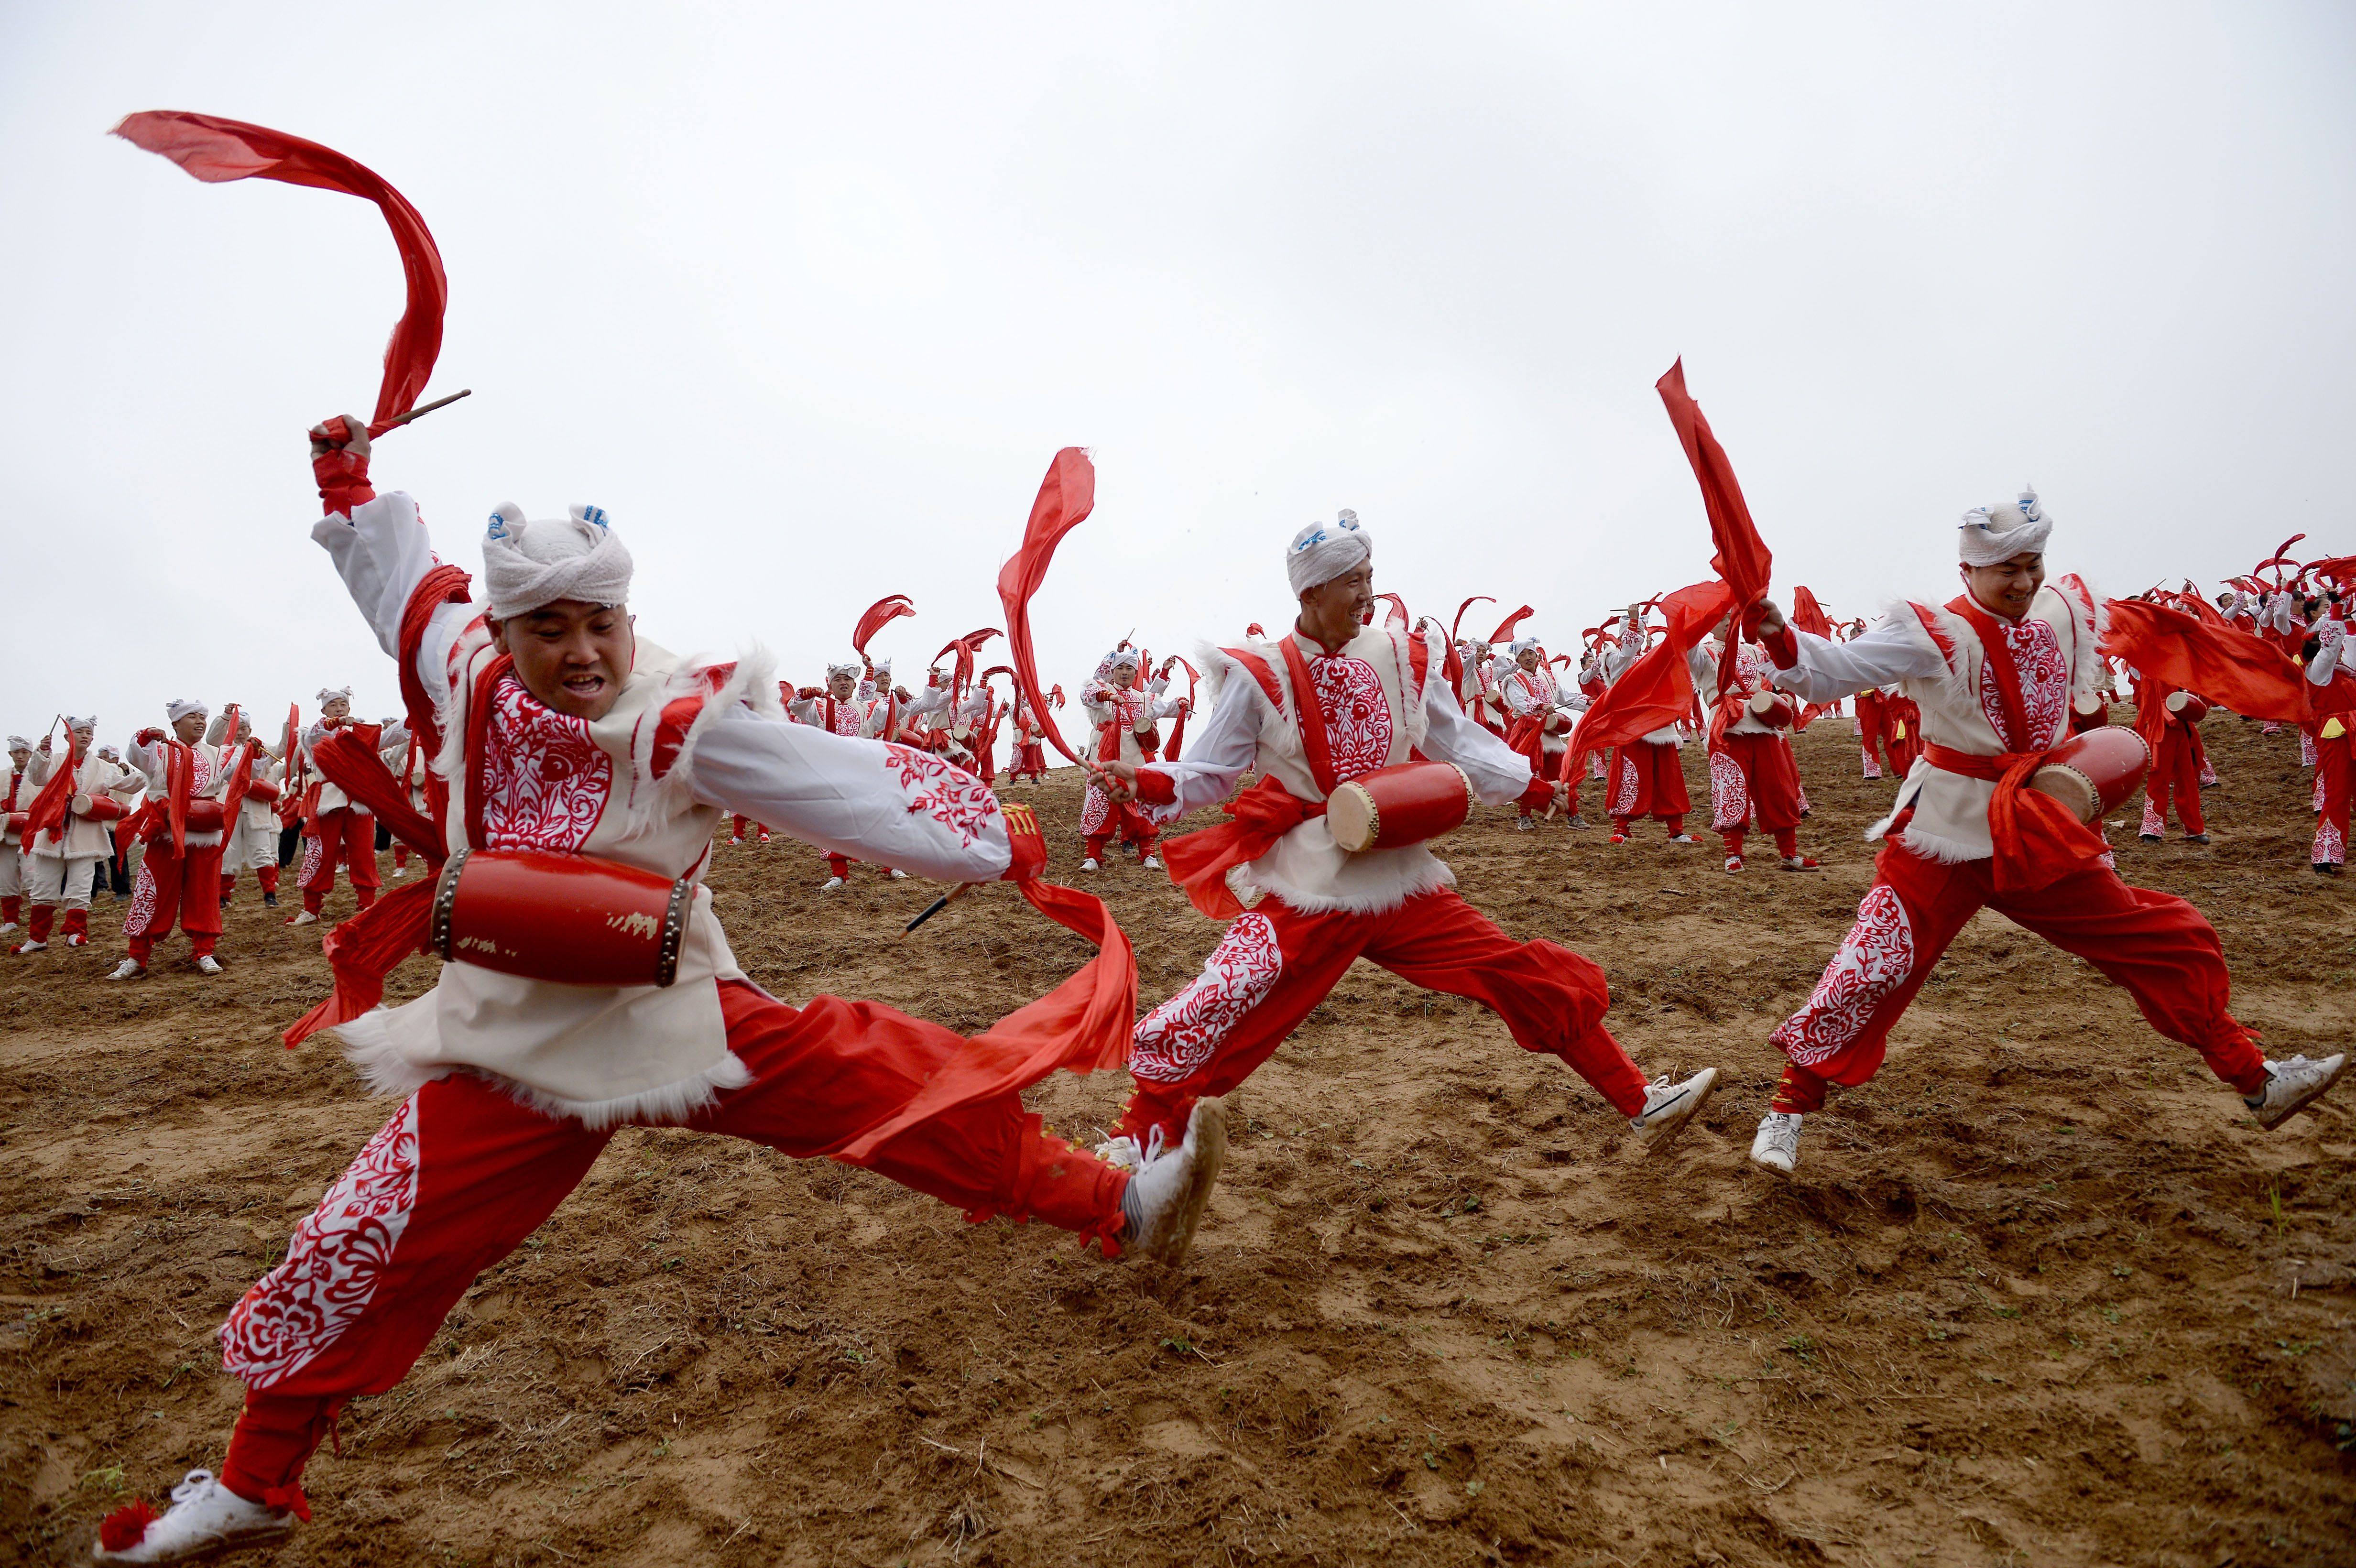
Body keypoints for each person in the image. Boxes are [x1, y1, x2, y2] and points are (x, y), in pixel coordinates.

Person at [92, 415, 1226, 1565]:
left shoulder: (682, 715)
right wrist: (350, 486)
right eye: (550, 627)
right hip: (512, 1046)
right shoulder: (467, 668)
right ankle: (252, 1486)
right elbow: (404, 596)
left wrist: (992, 838)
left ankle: (1116, 1203)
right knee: (364, 1234)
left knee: (883, 1077)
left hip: (677, 1011)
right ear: (504, 631)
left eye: (602, 624)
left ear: (631, 621)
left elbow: (836, 783)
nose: (580, 651)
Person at [1741, 487, 2345, 1176]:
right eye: (2009, 570)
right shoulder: (1929, 631)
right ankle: (1786, 1113)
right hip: (1945, 829)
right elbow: (1831, 672)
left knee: (2148, 936)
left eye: (2034, 565)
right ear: (1968, 570)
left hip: (2039, 823)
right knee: (1875, 961)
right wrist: (1778, 634)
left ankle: (2256, 1080)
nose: (2025, 582)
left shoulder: (2061, 614)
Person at [1085, 510, 1718, 1167]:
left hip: (1400, 879)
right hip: (1313, 888)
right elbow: (1211, 770)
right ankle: (1132, 1148)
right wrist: (1151, 782)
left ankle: (1641, 1100)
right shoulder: (1261, 674)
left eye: (1369, 578)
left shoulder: (1400, 656)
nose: (1367, 595)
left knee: (1513, 971)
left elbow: (1456, 739)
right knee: (1226, 997)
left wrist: (1530, 785)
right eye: (1351, 582)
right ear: (1309, 595)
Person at [109, 699, 235, 979]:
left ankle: (204, 951)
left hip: (205, 832)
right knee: (152, 892)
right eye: (193, 717)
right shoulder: (161, 751)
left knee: (204, 894)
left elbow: (235, 773)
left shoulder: (216, 753)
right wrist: (144, 737)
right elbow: (138, 757)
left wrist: (252, 753)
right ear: (176, 723)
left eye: (203, 717)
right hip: (165, 832)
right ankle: (137, 956)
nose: (200, 722)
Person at [1702, 624, 1817, 873]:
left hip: (1764, 722)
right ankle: (1733, 855)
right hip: (1727, 726)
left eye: (1733, 616)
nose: (1729, 621)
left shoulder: (1756, 651)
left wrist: (1782, 697)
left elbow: (1776, 677)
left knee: (1779, 788)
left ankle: (1790, 853)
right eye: (1722, 617)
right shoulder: (1704, 654)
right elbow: (1684, 647)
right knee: (1731, 789)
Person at [287, 689, 404, 926]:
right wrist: (336, 723)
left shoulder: (361, 734)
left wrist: (412, 721)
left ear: (350, 709)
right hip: (328, 802)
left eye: (343, 704)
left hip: (359, 801)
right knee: (320, 855)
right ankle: (311, 909)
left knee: (363, 855)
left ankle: (367, 906)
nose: (339, 708)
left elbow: (391, 736)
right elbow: (312, 735)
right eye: (333, 705)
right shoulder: (317, 735)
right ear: (324, 710)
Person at [10, 718, 125, 954]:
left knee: (81, 883)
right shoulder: (54, 760)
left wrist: (135, 773)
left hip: (85, 832)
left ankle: (76, 932)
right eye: (78, 732)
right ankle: (38, 938)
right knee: (44, 884)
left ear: (93, 738)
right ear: (66, 737)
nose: (84, 736)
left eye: (88, 733)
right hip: (52, 831)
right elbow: (37, 778)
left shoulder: (104, 767)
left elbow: (125, 786)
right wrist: (42, 753)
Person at [789, 663, 907, 889]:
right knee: (835, 822)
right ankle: (839, 874)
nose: (843, 683)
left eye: (847, 680)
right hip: (832, 774)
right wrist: (806, 694)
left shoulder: (867, 708)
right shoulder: (821, 708)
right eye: (837, 680)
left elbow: (891, 714)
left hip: (863, 771)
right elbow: (797, 706)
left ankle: (891, 864)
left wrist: (900, 698)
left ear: (854, 684)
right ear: (830, 685)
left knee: (879, 816)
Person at [1077, 647, 1184, 871]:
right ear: (1113, 671)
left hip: (1134, 759)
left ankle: (1148, 854)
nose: (1124, 673)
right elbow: (1086, 696)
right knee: (1099, 803)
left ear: (1136, 674)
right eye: (1120, 668)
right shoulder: (1101, 689)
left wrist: (1181, 705)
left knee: (1139, 804)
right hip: (1103, 757)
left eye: (1130, 669)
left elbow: (1166, 709)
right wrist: (1109, 696)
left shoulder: (1144, 698)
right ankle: (1093, 856)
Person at [1603, 606, 1703, 845]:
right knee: (1630, 776)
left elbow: (1682, 658)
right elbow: (1628, 650)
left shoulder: (1656, 654)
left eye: (1639, 627)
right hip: (1632, 725)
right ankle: (1621, 827)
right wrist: (1634, 621)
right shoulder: (1612, 657)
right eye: (1633, 627)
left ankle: (1677, 830)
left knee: (1668, 779)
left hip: (1661, 724)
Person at [1497, 636, 1591, 830]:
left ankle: (1573, 814)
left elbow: (1566, 697)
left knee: (1562, 774)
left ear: (1538, 656)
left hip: (1551, 731)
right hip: (1528, 733)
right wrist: (1539, 705)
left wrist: (1587, 702)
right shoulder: (1513, 680)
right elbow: (1519, 701)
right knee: (1529, 775)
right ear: (1517, 660)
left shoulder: (1548, 678)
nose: (1528, 658)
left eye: (1531, 653)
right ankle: (1525, 816)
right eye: (1523, 655)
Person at [214, 712, 286, 906]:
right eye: (236, 728)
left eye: (243, 728)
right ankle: (223, 896)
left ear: (250, 731)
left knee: (263, 851)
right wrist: (225, 717)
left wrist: (289, 725)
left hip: (257, 805)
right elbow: (213, 742)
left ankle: (270, 894)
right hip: (229, 806)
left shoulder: (262, 750)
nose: (239, 733)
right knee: (229, 853)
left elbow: (282, 749)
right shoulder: (222, 752)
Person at [0, 735, 28, 935]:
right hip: (5, 834)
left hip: (31, 834)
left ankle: (40, 919)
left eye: (24, 752)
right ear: (10, 754)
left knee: (35, 878)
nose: (20, 756)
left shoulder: (40, 777)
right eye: (17, 752)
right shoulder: (2, 776)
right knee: (6, 878)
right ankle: (10, 920)